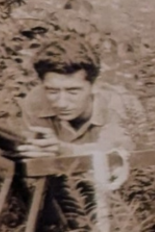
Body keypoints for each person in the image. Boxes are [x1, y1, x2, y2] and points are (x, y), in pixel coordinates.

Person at [16, 37, 145, 158]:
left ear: (95, 86)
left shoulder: (123, 104)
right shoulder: (36, 100)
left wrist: (63, 150)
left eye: (73, 91)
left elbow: (115, 155)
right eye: (53, 91)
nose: (62, 103)